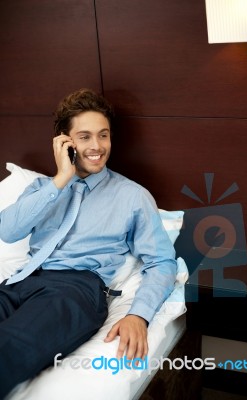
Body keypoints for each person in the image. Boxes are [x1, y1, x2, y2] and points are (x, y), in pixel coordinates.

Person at [0, 88, 177, 399]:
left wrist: (138, 314)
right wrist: (60, 179)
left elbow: (161, 262)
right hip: (19, 281)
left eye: (103, 135)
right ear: (64, 142)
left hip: (76, 291)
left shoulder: (132, 195)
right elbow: (8, 231)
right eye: (84, 137)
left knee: (9, 346)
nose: (97, 146)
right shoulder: (42, 188)